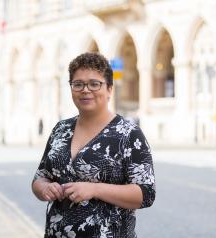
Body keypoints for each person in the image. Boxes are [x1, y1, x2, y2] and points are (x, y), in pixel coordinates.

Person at [32, 52, 156, 238]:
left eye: (94, 83)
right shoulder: (61, 129)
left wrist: (95, 189)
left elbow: (145, 194)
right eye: (78, 84)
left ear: (109, 89)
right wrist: (44, 188)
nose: (85, 90)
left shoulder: (129, 133)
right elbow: (40, 177)